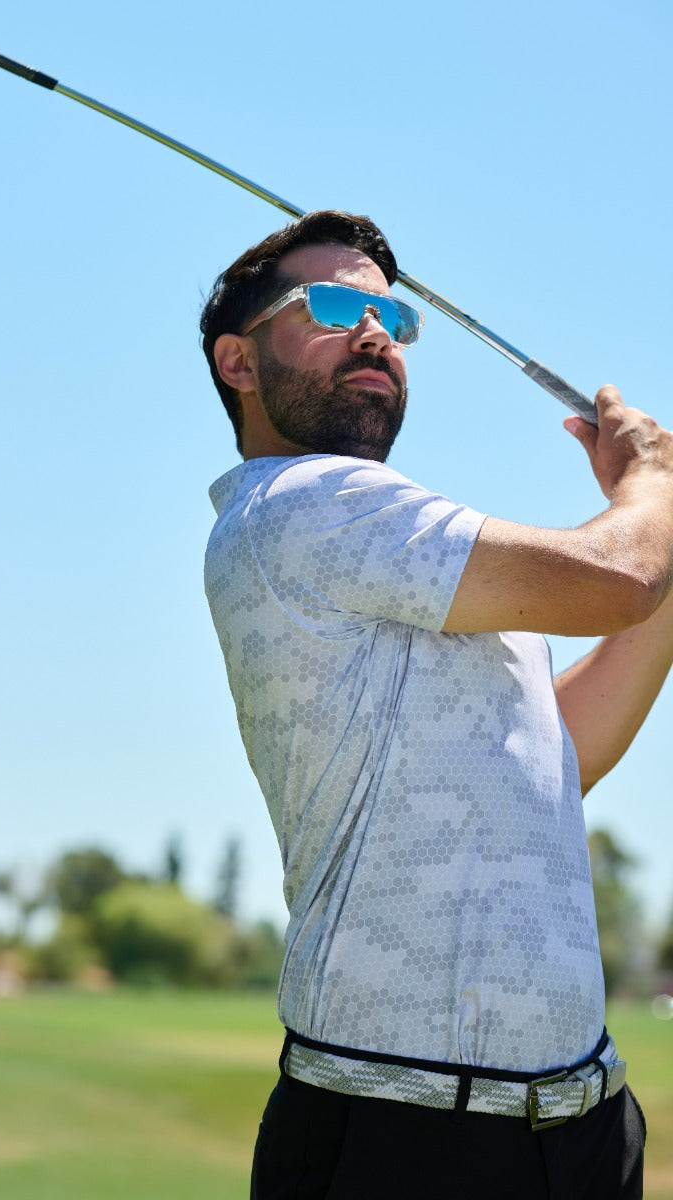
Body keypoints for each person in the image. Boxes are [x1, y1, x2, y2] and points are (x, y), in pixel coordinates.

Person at [200, 210, 673, 1199]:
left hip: (580, 1127)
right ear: (237, 363)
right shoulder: (301, 502)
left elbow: (557, 758)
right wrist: (653, 485)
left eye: (391, 315)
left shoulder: (394, 549)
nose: (374, 330)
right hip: (404, 1138)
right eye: (333, 305)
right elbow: (620, 574)